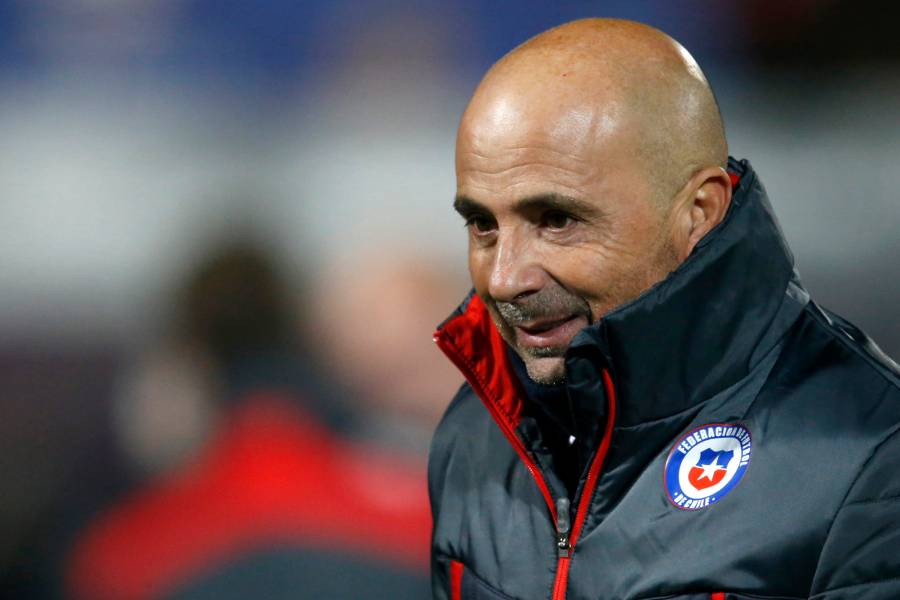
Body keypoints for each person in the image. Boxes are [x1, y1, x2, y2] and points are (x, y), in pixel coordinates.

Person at [429, 18, 900, 600]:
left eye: (557, 220)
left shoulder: (873, 462)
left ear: (698, 212)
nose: (504, 279)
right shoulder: (476, 430)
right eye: (483, 225)